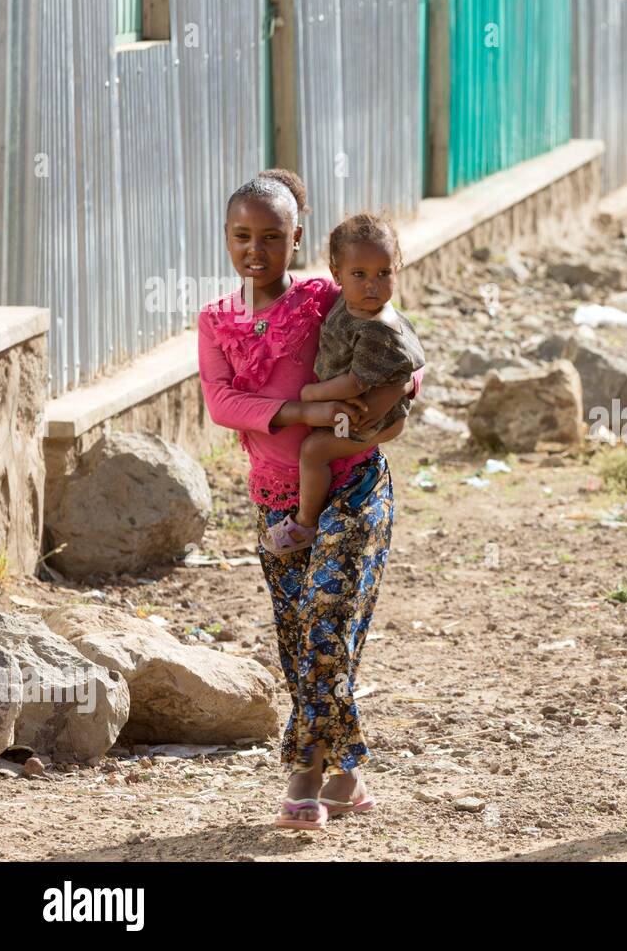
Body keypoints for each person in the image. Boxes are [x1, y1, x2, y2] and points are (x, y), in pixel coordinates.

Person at [197, 169, 423, 831]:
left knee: (329, 619)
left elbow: (396, 344)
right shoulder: (217, 319)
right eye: (242, 236)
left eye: (272, 236)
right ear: (228, 237)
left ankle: (307, 771)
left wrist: (392, 400)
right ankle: (347, 771)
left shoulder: (327, 295)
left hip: (353, 483)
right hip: (276, 501)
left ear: (298, 237)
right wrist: (306, 405)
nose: (256, 251)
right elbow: (221, 402)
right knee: (300, 637)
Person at [260, 213, 426, 555]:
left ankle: (304, 525)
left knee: (314, 451)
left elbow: (353, 384)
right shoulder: (351, 306)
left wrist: (311, 394)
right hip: (365, 405)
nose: (372, 285)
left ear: (398, 269)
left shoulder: (377, 327)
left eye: (384, 273)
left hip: (376, 415)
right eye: (359, 274)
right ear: (337, 274)